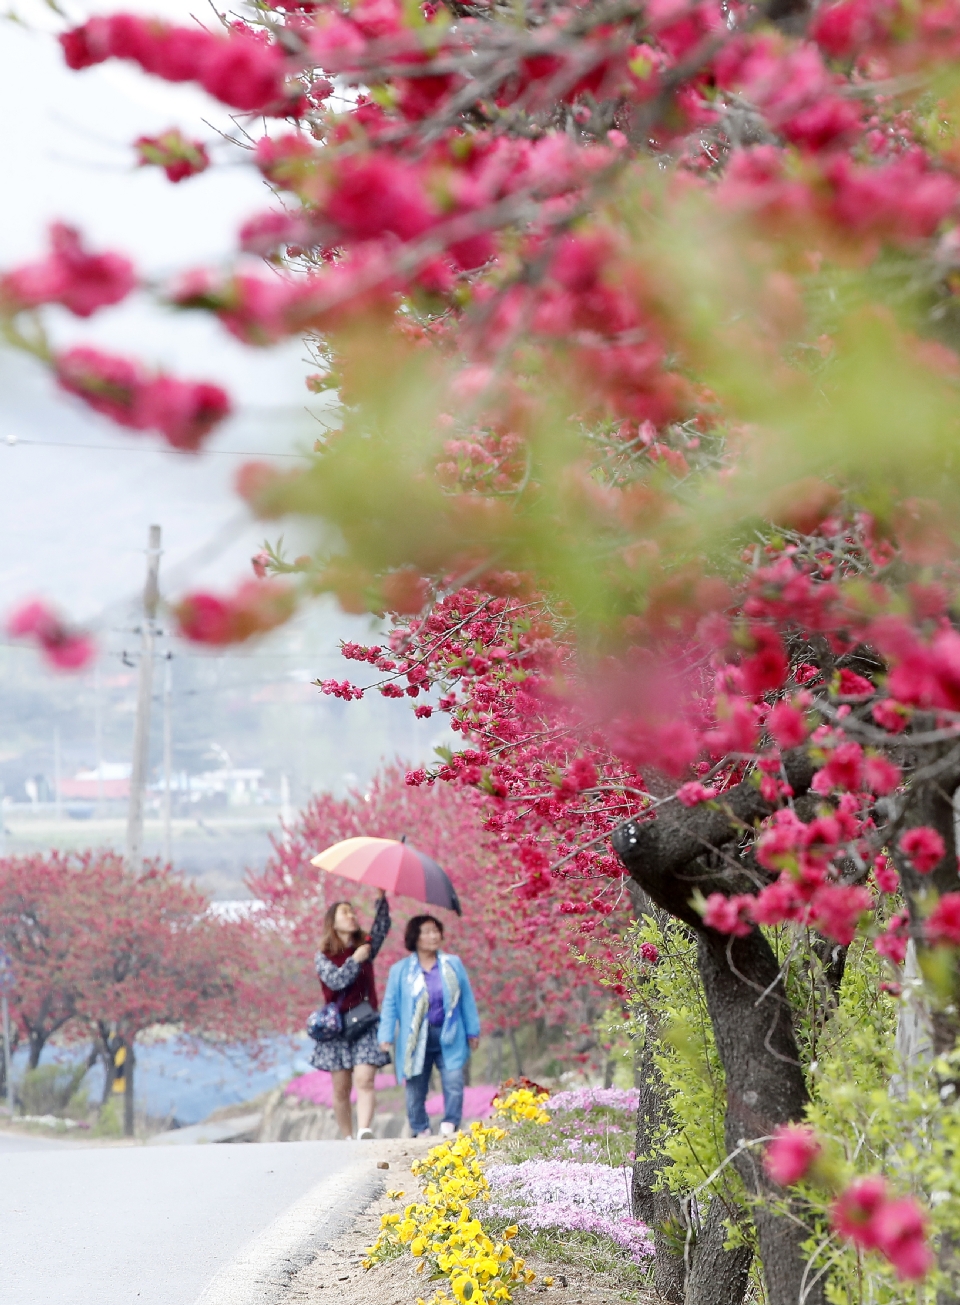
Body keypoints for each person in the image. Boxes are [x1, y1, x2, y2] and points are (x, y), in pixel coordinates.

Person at [378, 913, 480, 1137]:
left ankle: (450, 1123)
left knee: (454, 1080)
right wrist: (385, 1035)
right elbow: (391, 1004)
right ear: (415, 937)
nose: (434, 936)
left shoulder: (452, 964)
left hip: (449, 1034)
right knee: (415, 1086)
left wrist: (473, 1030)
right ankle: (420, 1128)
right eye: (427, 932)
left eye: (436, 931)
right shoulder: (401, 971)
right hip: (415, 1039)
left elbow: (466, 999)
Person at [312, 891, 391, 1140]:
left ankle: (364, 1130)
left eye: (352, 911)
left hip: (366, 1021)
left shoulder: (364, 946)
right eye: (344, 912)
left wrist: (380, 898)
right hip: (337, 1027)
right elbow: (335, 981)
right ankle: (347, 1136)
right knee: (341, 1087)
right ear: (332, 922)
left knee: (365, 1078)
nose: (351, 916)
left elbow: (381, 928)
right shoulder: (324, 955)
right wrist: (354, 961)